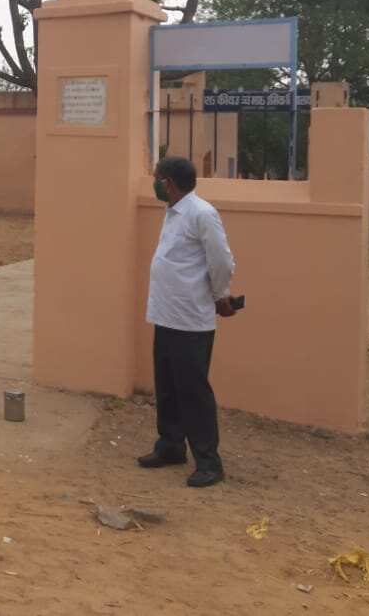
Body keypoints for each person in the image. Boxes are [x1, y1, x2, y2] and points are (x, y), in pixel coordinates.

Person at [138, 156, 237, 488]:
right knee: (167, 387)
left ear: (169, 183)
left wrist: (222, 295)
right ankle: (170, 446)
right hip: (165, 315)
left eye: (157, 179)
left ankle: (209, 462)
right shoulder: (173, 213)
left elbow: (221, 260)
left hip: (191, 319)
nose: (154, 184)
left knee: (193, 391)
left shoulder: (202, 214)